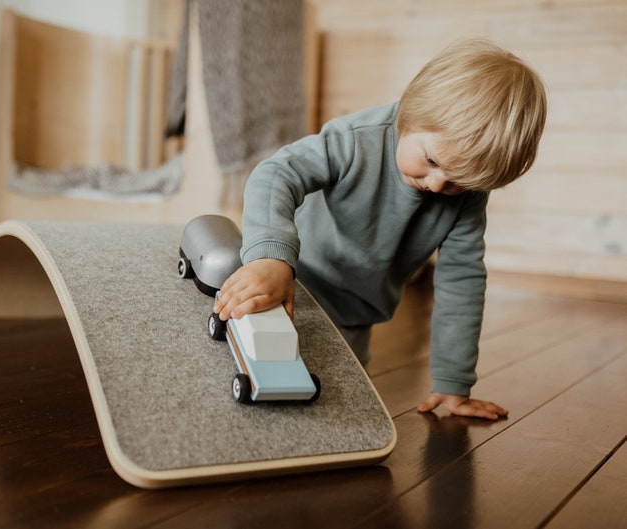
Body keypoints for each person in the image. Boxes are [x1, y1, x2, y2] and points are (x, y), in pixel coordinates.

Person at [211, 38, 547, 420]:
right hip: (289, 281)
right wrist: (270, 257)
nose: (438, 186)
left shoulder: (467, 198)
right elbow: (276, 173)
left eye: (458, 183)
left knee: (332, 406)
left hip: (354, 314)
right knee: (238, 369)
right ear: (412, 109)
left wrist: (454, 382)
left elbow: (462, 282)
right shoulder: (357, 139)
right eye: (432, 160)